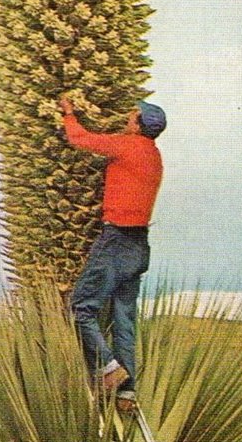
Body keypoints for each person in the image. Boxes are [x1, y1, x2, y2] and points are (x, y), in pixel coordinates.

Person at [60, 95, 166, 410]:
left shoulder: (128, 145)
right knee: (124, 317)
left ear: (138, 125)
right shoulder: (154, 156)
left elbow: (79, 139)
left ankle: (108, 369)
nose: (128, 117)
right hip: (139, 243)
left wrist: (69, 113)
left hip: (116, 239)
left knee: (81, 307)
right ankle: (127, 393)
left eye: (133, 115)